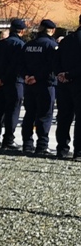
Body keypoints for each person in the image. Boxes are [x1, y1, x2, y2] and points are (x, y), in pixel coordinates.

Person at [21, 19, 59, 156]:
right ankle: (42, 146)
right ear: (52, 30)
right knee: (44, 115)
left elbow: (21, 63)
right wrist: (37, 77)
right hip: (45, 85)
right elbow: (52, 66)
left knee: (29, 114)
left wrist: (27, 76)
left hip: (29, 85)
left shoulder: (28, 45)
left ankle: (27, 144)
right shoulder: (51, 45)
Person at [0, 18, 27, 149]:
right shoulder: (20, 45)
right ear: (22, 31)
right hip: (14, 82)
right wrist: (4, 80)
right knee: (12, 112)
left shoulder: (0, 45)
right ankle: (8, 141)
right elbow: (16, 66)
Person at [54, 15, 81, 160]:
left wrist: (61, 74)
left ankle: (62, 149)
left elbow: (56, 60)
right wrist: (70, 74)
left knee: (64, 117)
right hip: (78, 81)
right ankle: (79, 151)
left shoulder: (66, 40)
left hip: (64, 84)